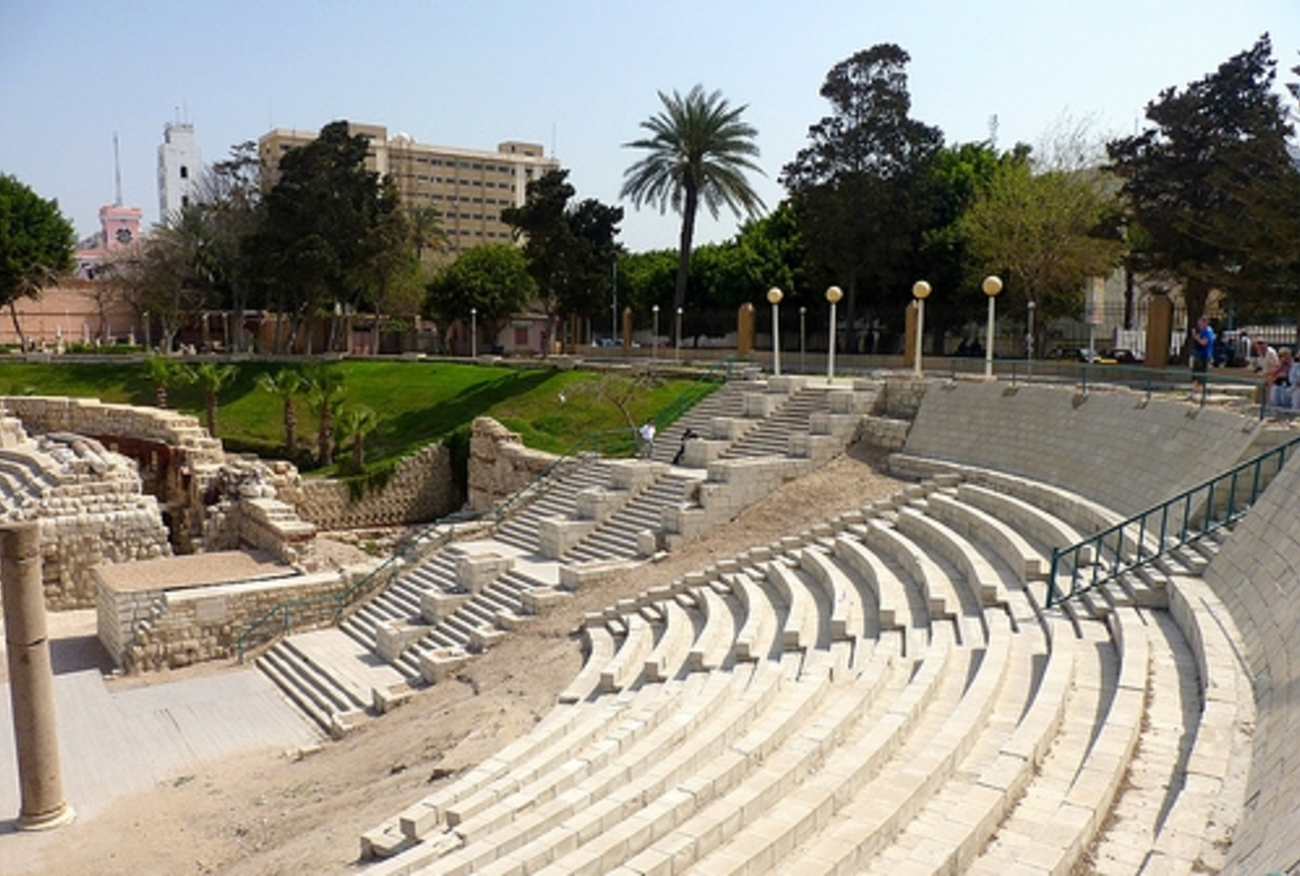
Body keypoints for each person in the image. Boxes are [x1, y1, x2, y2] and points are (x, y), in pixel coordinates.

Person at [1190, 316, 1215, 394]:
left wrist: (1195, 337)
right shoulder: (1202, 331)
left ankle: (1200, 390)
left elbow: (1204, 342)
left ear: (1205, 323)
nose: (1199, 324)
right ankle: (1195, 389)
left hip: (1203, 355)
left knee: (1200, 373)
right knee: (1195, 373)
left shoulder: (1208, 331)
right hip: (1198, 354)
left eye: (1200, 323)